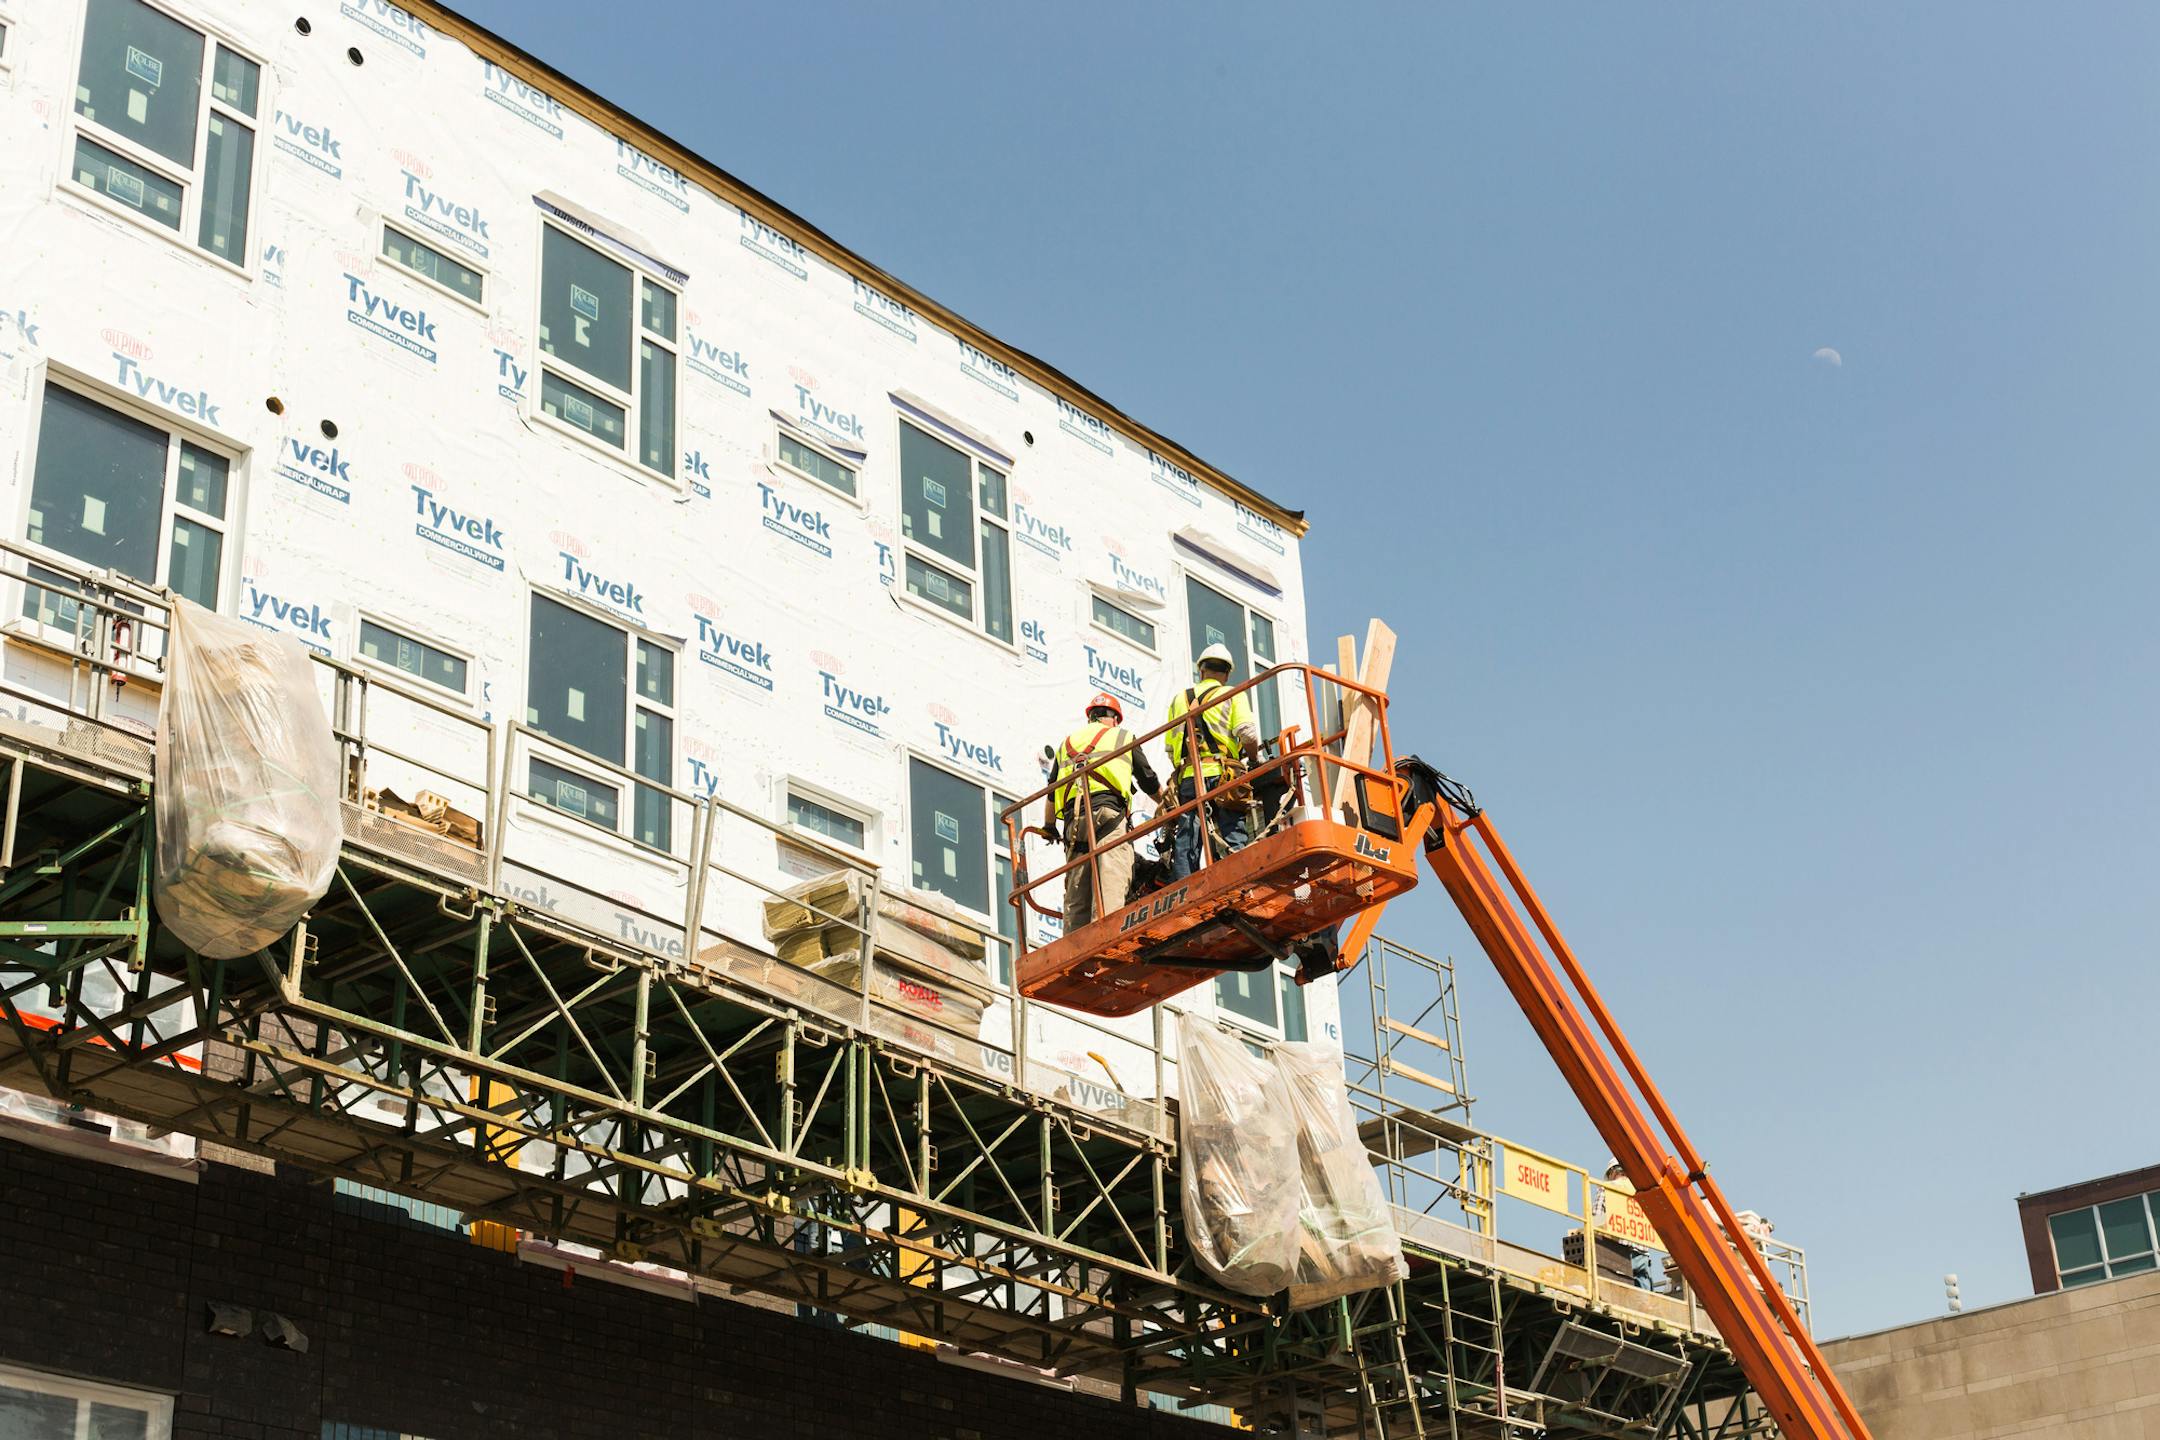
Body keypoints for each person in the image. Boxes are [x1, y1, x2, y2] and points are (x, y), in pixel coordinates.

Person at [1043, 692, 1161, 929]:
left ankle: (1074, 948)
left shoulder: (1067, 744)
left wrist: (1049, 827)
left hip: (1073, 824)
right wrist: (1166, 802)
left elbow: (1051, 791)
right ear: (1115, 719)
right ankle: (1106, 938)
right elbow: (1147, 779)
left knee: (1077, 889)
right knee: (1111, 882)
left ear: (1091, 718)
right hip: (1108, 815)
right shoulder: (1123, 736)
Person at [1163, 643, 1263, 881]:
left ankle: (1185, 886)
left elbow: (1170, 748)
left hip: (1189, 776)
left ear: (1201, 671)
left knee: (1188, 833)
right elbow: (1247, 734)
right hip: (1224, 775)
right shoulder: (1233, 693)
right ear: (1227, 673)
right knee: (1231, 828)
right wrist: (1252, 758)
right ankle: (1235, 880)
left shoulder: (1180, 699)